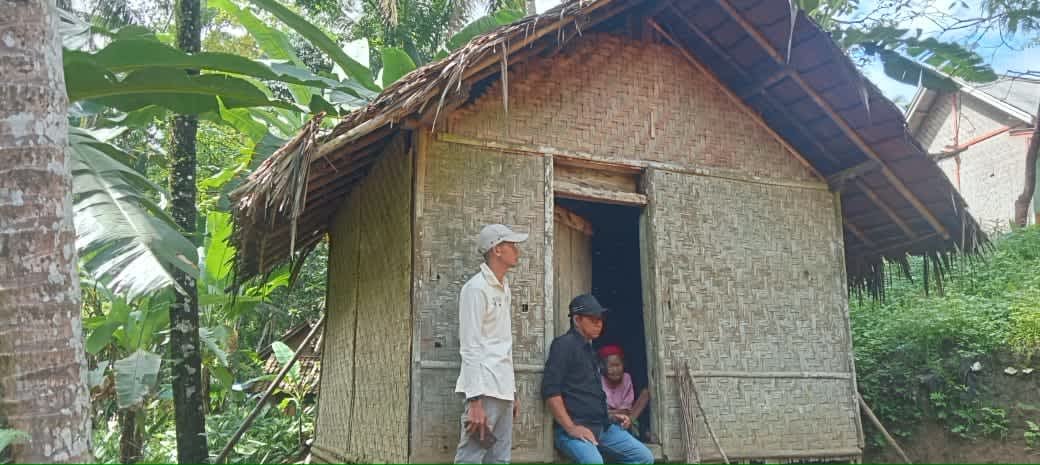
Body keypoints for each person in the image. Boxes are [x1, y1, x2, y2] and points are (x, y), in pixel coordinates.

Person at [542, 294, 654, 464]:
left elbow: (588, 398)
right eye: (593, 319)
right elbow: (551, 391)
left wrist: (611, 416)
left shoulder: (590, 350)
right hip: (574, 429)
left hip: (602, 426)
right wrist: (571, 428)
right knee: (594, 463)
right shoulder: (563, 345)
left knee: (644, 457)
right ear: (577, 320)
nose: (599, 323)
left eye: (600, 319)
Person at [453, 224, 528, 464]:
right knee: (471, 457)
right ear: (497, 249)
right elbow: (470, 345)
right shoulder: (475, 289)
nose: (517, 250)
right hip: (484, 389)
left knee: (500, 459)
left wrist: (512, 392)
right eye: (512, 244)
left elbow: (503, 343)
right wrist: (474, 401)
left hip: (502, 388)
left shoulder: (504, 288)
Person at [598, 344, 651, 439]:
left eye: (618, 365)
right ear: (602, 367)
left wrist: (614, 412)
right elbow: (599, 409)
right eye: (611, 366)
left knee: (645, 394)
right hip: (604, 421)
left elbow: (627, 409)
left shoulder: (626, 378)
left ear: (623, 364)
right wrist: (611, 413)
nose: (615, 370)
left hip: (625, 418)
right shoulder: (598, 380)